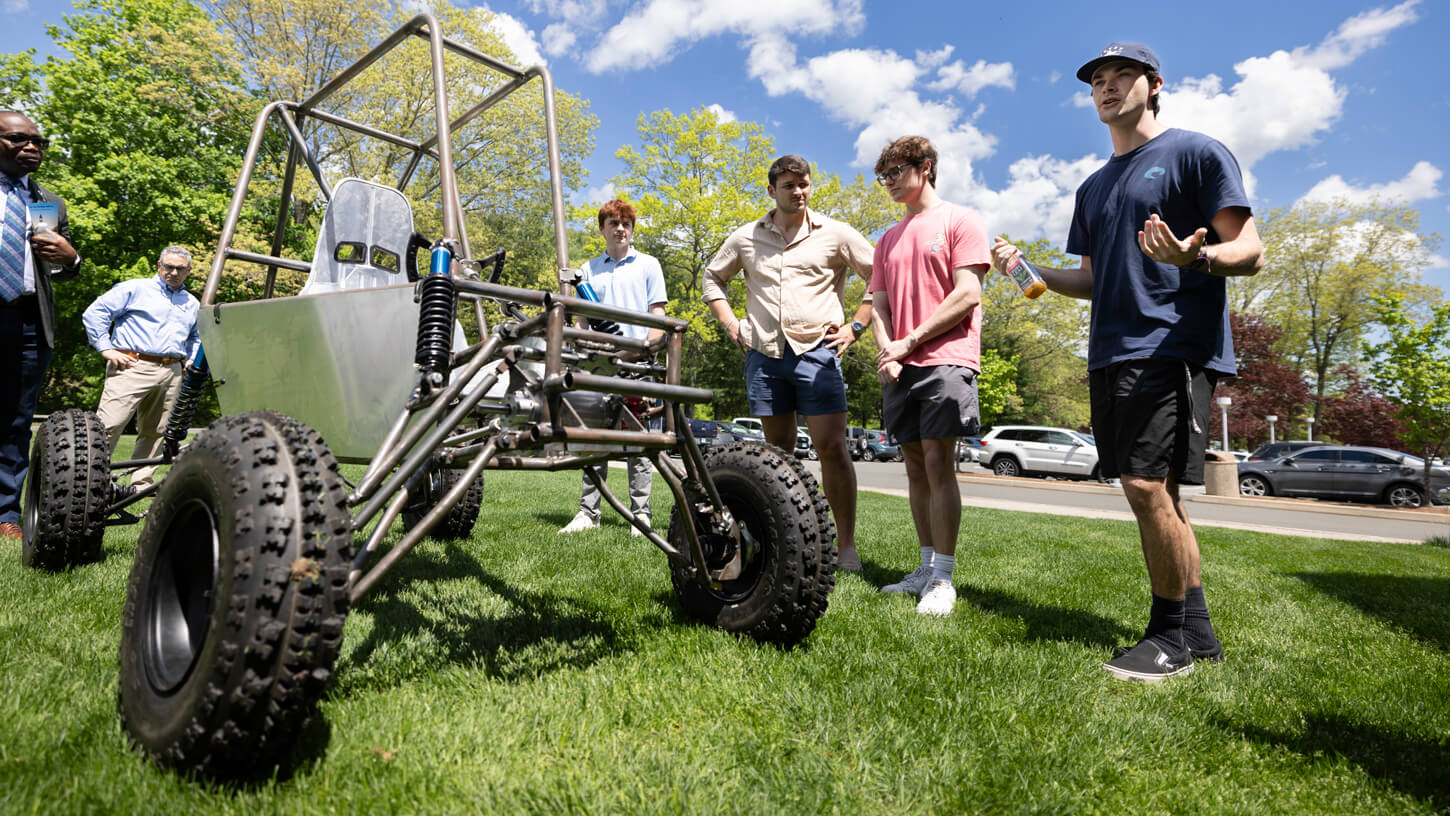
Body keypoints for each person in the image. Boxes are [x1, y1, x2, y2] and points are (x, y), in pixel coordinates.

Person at [991, 43, 1263, 680]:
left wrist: (1194, 259)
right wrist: (1027, 271)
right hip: (1110, 350)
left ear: (1155, 84)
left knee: (1145, 487)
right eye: (1098, 82)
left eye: (1121, 77)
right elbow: (1092, 278)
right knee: (1156, 490)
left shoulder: (1195, 152)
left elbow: (1249, 250)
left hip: (1170, 345)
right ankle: (1198, 631)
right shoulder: (1093, 187)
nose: (1106, 88)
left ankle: (1168, 638)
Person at [703, 154, 875, 572]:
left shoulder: (836, 234)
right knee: (776, 454)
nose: (798, 192)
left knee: (831, 448)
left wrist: (856, 326)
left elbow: (882, 275)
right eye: (788, 186)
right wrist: (730, 323)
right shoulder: (746, 237)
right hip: (764, 356)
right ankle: (779, 536)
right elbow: (713, 277)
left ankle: (845, 547)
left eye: (804, 184)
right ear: (771, 191)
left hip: (818, 353)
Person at [869, 136, 990, 616]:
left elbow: (968, 294)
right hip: (899, 363)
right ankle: (923, 567)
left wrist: (910, 340)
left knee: (940, 462)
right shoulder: (888, 238)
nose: (890, 182)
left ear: (926, 168)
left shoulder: (961, 220)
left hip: (946, 357)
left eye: (896, 171)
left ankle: (943, 576)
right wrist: (888, 351)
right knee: (914, 466)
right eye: (884, 175)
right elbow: (878, 304)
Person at [557, 199, 668, 537]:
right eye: (614, 223)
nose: (621, 229)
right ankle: (588, 513)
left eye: (626, 224)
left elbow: (658, 316)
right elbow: (581, 320)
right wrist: (591, 350)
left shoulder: (649, 265)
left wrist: (645, 350)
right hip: (601, 366)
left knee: (638, 440)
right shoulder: (588, 270)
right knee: (594, 438)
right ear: (602, 228)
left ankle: (640, 515)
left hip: (639, 363)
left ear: (632, 229)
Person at [0, 112, 81, 541]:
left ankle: (4, 516)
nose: (33, 148)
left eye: (39, 142)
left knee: (16, 420)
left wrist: (71, 258)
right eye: (19, 139)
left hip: (29, 321)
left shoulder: (47, 202)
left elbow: (60, 270)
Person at [82, 246, 200, 488]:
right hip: (132, 365)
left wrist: (191, 358)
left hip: (172, 372)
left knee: (157, 431)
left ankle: (140, 484)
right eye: (168, 266)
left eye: (180, 268)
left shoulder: (192, 303)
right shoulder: (135, 289)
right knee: (108, 425)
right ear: (159, 265)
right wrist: (105, 348)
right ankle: (90, 483)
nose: (173, 272)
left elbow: (196, 336)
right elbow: (95, 313)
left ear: (189, 271)